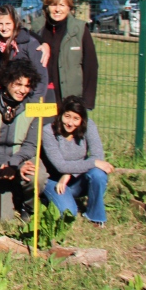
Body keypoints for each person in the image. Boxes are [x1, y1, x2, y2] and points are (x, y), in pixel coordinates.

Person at [0, 58, 48, 221]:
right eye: (18, 84)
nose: (23, 90)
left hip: (21, 159)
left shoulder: (34, 105)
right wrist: (5, 162)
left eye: (27, 86)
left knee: (38, 176)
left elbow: (31, 144)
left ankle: (28, 206)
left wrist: (14, 163)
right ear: (7, 80)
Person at [42, 96, 113, 226]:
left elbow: (98, 155)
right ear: (60, 114)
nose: (70, 123)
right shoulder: (48, 131)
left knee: (98, 174)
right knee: (68, 213)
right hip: (55, 180)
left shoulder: (89, 125)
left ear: (82, 120)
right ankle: (47, 199)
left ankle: (95, 215)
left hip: (76, 178)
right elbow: (60, 165)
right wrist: (92, 163)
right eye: (67, 116)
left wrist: (68, 174)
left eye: (76, 119)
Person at [38, 0, 98, 110]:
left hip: (70, 96)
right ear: (47, 7)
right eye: (53, 5)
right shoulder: (37, 28)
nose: (57, 9)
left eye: (62, 5)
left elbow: (90, 66)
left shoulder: (79, 30)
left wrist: (87, 101)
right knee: (43, 129)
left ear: (69, 8)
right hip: (43, 94)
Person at [0, 4, 48, 101]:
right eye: (0, 24)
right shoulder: (0, 45)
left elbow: (41, 77)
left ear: (15, 23)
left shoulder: (30, 44)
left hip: (29, 98)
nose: (4, 28)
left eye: (8, 23)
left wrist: (34, 102)